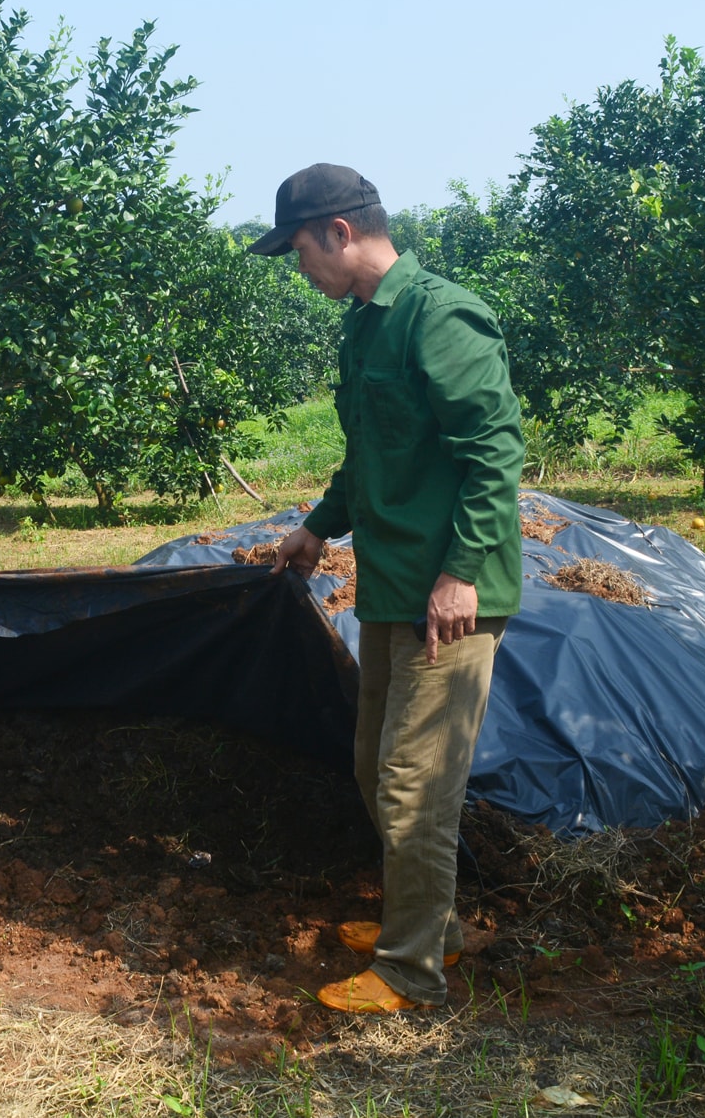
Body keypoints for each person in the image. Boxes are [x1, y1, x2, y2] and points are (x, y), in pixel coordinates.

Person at [256, 164, 524, 1014]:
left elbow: (494, 451)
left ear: (339, 231)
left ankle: (411, 972)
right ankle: (428, 925)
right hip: (393, 585)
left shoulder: (437, 315)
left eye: (300, 251)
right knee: (376, 770)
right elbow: (371, 450)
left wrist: (464, 571)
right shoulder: (365, 328)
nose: (301, 272)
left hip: (450, 596)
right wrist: (318, 525)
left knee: (415, 782)